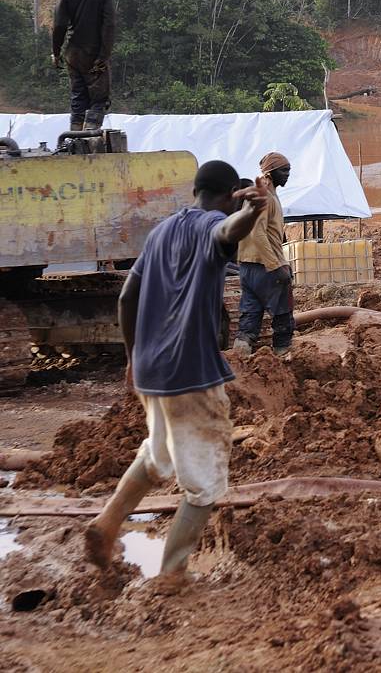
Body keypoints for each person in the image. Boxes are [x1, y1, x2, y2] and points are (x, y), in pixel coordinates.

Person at [84, 161, 267, 587]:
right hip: (192, 372)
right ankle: (172, 573)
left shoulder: (161, 231)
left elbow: (127, 296)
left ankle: (108, 522)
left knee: (158, 453)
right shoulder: (212, 227)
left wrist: (132, 357)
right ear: (227, 196)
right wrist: (253, 213)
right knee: (203, 483)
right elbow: (226, 232)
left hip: (151, 370)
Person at [236, 152, 294, 359]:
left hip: (247, 267)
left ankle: (241, 360)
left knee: (250, 315)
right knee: (282, 313)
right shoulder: (265, 197)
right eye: (284, 170)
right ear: (271, 172)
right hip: (266, 267)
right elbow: (257, 232)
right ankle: (283, 354)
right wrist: (276, 265)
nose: (288, 174)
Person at [50, 0, 116, 132]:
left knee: (78, 99)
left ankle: (74, 141)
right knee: (99, 100)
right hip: (95, 55)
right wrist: (103, 56)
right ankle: (88, 140)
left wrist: (56, 53)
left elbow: (59, 26)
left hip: (73, 55)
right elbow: (109, 25)